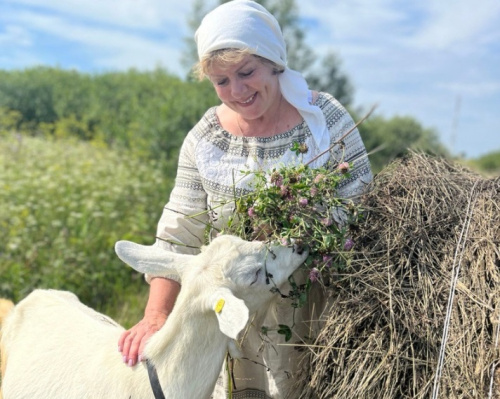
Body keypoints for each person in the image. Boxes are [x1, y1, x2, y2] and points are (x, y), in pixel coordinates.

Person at [118, 0, 373, 397]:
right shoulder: (205, 139)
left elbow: (362, 209)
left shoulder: (325, 121)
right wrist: (156, 315)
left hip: (316, 311)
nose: (236, 91)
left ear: (273, 60)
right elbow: (179, 232)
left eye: (246, 72)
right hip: (230, 318)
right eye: (221, 81)